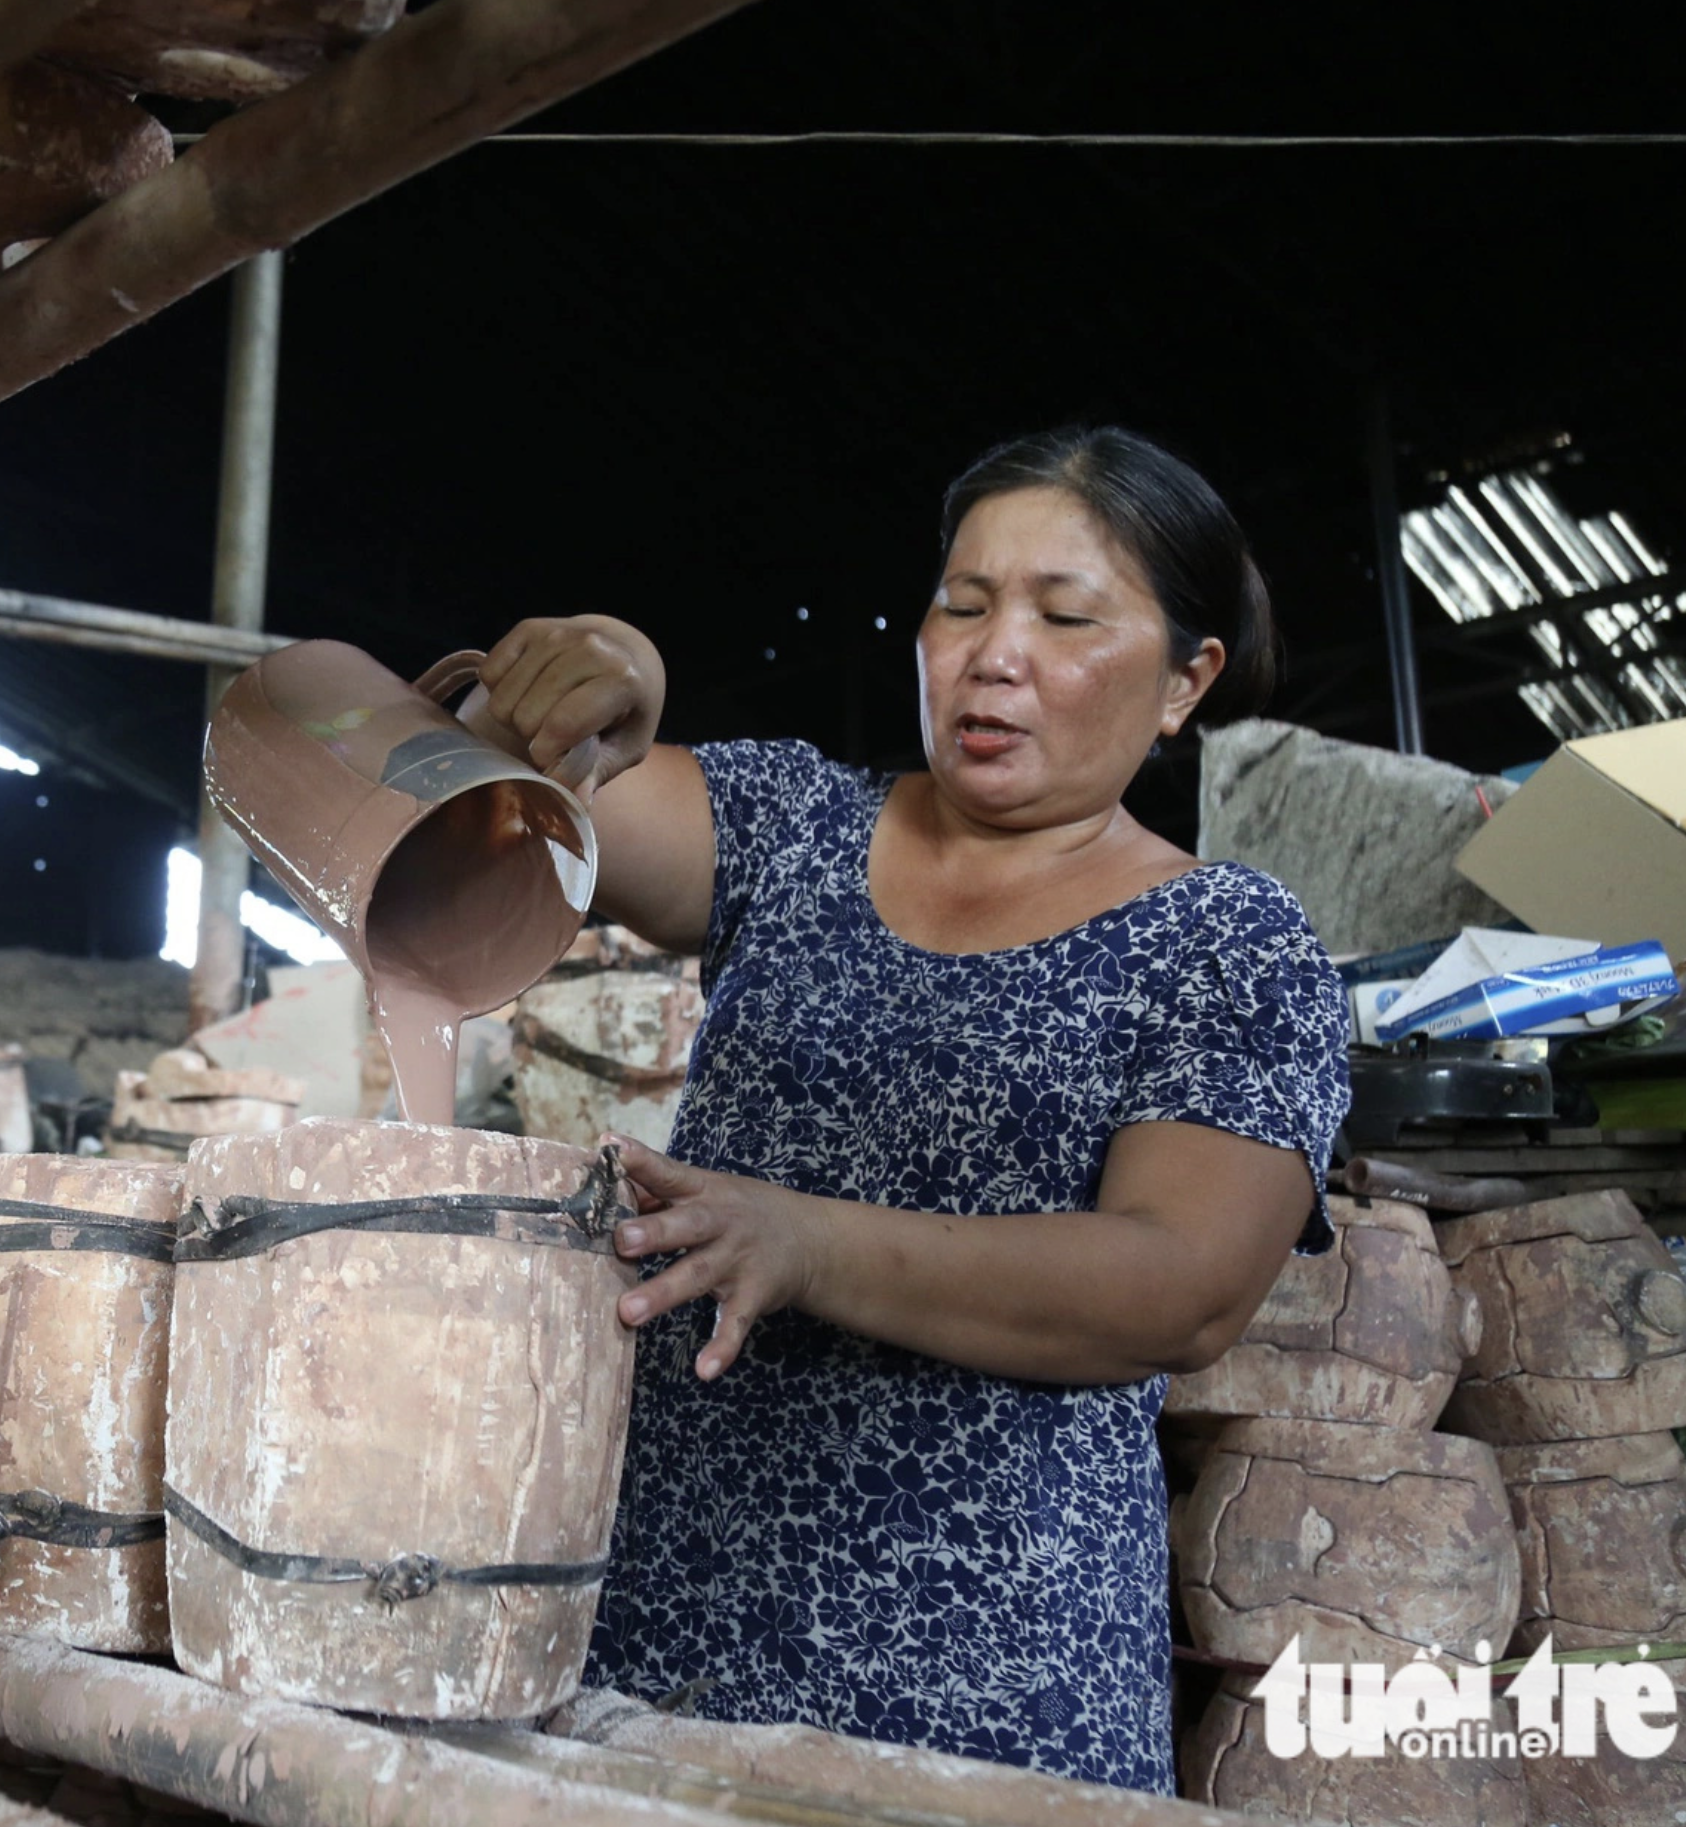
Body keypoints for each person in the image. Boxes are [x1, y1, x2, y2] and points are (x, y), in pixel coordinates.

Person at [471, 425, 1348, 1793]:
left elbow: (1180, 1287)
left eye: (1064, 617)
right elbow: (537, 798)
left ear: (1184, 682)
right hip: (668, 1619)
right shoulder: (794, 830)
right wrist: (604, 674)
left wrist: (803, 1244)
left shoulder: (1227, 943)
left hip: (989, 1681)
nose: (994, 654)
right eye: (961, 603)